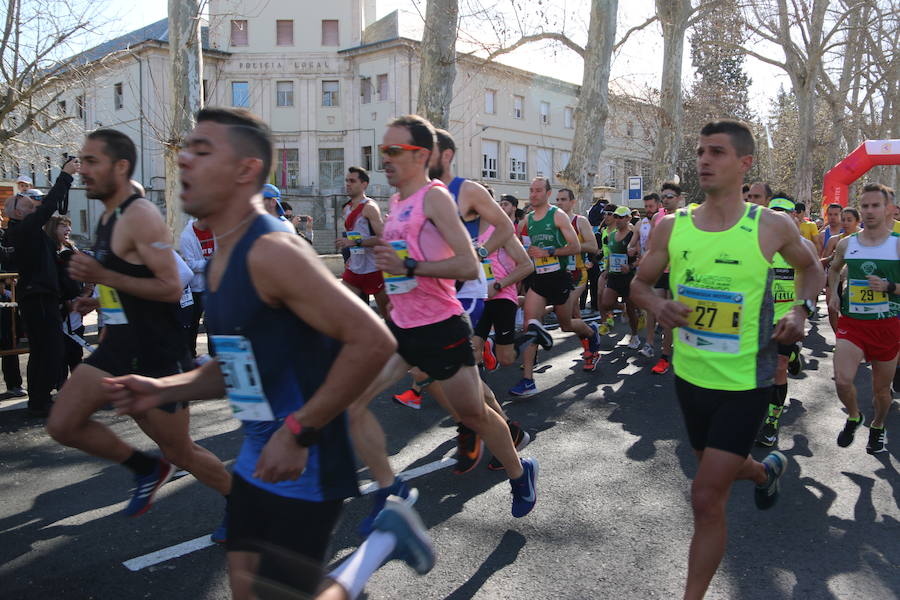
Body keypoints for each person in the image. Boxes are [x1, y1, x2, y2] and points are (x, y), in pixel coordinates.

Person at [105, 107, 402, 599]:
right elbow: (239, 369)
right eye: (186, 150)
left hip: (304, 462)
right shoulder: (221, 259)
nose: (184, 161)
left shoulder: (273, 251)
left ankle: (379, 545)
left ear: (246, 170)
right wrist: (162, 388)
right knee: (247, 591)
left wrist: (299, 431)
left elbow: (374, 340)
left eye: (203, 151)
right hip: (255, 459)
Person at [630, 119, 823, 600]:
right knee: (720, 466)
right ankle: (763, 471)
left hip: (746, 381)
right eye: (700, 151)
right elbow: (638, 283)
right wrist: (656, 304)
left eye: (716, 152)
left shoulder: (771, 226)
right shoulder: (672, 227)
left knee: (705, 495)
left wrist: (801, 309)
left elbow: (812, 268)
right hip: (690, 378)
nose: (704, 160)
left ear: (744, 164)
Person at [346, 114, 538, 535]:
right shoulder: (396, 204)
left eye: (395, 151)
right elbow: (403, 258)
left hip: (440, 325)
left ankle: (520, 471)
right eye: (384, 151)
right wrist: (384, 253)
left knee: (475, 414)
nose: (386, 159)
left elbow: (469, 265)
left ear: (422, 156)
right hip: (401, 327)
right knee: (354, 402)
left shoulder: (435, 198)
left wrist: (410, 264)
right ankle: (388, 491)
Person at [46, 129, 232, 525]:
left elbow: (171, 285)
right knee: (62, 422)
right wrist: (98, 297)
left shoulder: (140, 215)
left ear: (121, 166)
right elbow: (129, 278)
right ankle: (145, 468)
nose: (83, 171)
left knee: (182, 452)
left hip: (156, 355)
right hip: (119, 348)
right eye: (82, 161)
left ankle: (244, 503)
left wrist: (99, 273)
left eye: (92, 162)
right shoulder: (110, 214)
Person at [509, 177, 602, 396]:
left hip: (560, 278)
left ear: (547, 194)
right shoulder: (527, 221)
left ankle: (592, 332)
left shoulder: (557, 216)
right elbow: (524, 249)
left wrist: (549, 252)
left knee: (567, 325)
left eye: (538, 190)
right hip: (539, 279)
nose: (533, 194)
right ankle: (528, 381)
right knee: (530, 325)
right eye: (531, 190)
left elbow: (576, 246)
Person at [828, 182, 899, 454]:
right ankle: (854, 416)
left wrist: (889, 287)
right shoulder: (848, 244)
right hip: (853, 323)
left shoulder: (898, 246)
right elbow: (834, 269)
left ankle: (878, 425)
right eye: (865, 206)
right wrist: (833, 292)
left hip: (887, 326)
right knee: (843, 380)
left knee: (882, 392)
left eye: (875, 205)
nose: (869, 211)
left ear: (888, 209)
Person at [7, 158, 79, 416]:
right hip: (37, 297)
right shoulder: (24, 228)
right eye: (29, 204)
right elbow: (49, 206)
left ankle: (39, 400)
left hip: (39, 295)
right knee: (50, 349)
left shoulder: (25, 229)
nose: (35, 205)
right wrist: (66, 175)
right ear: (18, 212)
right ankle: (40, 399)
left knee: (43, 350)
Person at [756, 196, 817, 447]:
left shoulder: (804, 246)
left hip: (787, 317)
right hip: (760, 318)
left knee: (778, 367)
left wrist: (804, 310)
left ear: (796, 216)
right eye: (774, 212)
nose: (779, 217)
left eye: (785, 212)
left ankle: (771, 421)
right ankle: (793, 356)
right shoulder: (756, 244)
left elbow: (816, 276)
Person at [335, 166, 389, 318]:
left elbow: (383, 238)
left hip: (374, 269)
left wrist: (355, 243)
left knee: (389, 317)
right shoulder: (346, 208)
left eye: (352, 181)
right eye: (347, 180)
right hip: (354, 269)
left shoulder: (370, 207)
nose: (348, 184)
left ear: (364, 184)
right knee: (340, 309)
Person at [555, 188, 598, 357]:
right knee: (574, 315)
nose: (559, 202)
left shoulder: (580, 221)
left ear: (573, 202)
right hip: (558, 275)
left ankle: (590, 343)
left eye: (563, 199)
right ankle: (590, 346)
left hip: (577, 274)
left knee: (565, 313)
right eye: (557, 199)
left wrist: (569, 249)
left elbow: (593, 246)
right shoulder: (553, 222)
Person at [646, 182, 683, 373]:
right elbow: (651, 244)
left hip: (677, 272)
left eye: (670, 197)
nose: (666, 200)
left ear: (679, 198)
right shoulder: (657, 218)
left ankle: (665, 356)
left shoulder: (686, 218)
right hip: (660, 270)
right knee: (654, 309)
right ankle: (650, 343)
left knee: (668, 315)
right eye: (664, 197)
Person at [600, 206, 641, 349]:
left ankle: (635, 336)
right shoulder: (611, 235)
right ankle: (619, 309)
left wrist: (630, 267)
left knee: (631, 310)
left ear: (628, 218)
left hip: (629, 277)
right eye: (616, 217)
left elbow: (640, 258)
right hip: (613, 276)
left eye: (621, 217)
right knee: (606, 303)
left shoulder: (632, 236)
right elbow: (611, 255)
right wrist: (607, 270)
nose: (617, 220)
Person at [179, 218, 215, 357]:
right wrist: (212, 264)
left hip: (212, 285)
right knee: (192, 326)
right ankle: (190, 358)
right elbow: (190, 264)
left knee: (213, 325)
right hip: (195, 288)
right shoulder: (187, 236)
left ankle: (214, 359)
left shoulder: (216, 229)